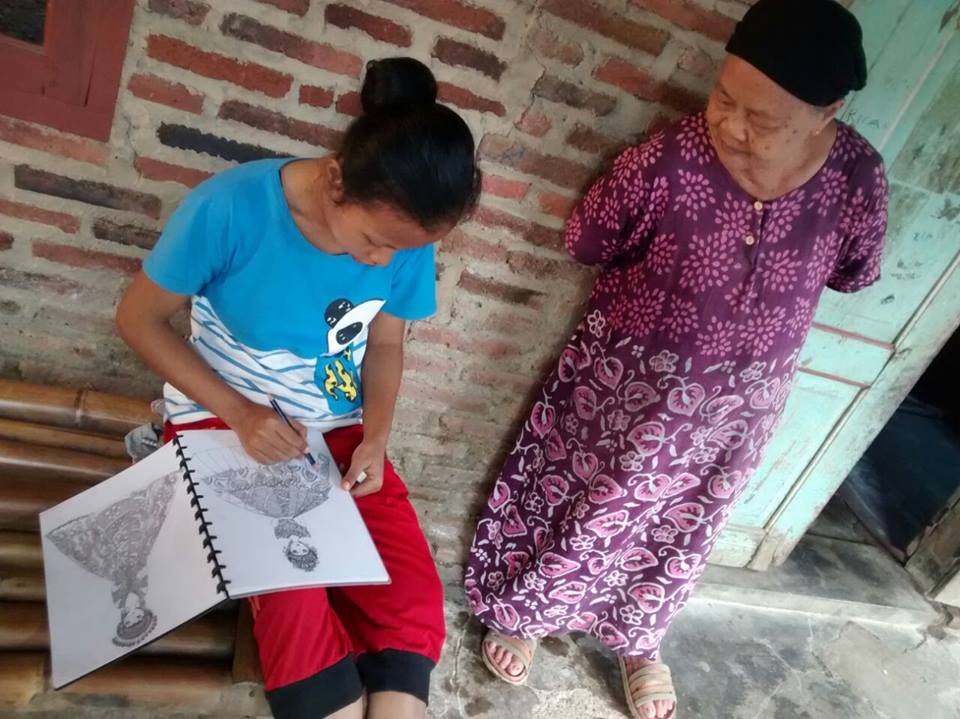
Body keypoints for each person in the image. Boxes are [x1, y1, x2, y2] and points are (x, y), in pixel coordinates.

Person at [464, 1, 887, 717]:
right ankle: (531, 609)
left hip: (743, 402)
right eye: (724, 97)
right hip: (629, 384)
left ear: (828, 113)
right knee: (592, 500)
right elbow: (587, 238)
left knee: (688, 519)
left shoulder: (857, 177)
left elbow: (854, 270)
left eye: (764, 119)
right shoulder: (670, 158)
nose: (732, 125)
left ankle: (639, 638)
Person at [117, 57, 480, 719]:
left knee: (411, 603)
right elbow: (137, 320)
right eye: (372, 242)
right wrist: (240, 414)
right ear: (336, 180)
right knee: (294, 598)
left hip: (336, 430)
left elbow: (386, 343)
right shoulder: (230, 209)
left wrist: (376, 437)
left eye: (400, 251)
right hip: (224, 421)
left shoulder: (407, 232)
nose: (383, 262)